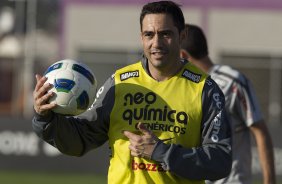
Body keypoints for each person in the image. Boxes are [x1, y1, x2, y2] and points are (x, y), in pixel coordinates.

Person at [32, 1, 232, 184]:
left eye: (166, 34)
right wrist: (45, 118)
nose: (157, 43)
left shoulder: (205, 89)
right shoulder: (119, 83)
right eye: (149, 34)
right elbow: (81, 139)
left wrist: (160, 152)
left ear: (182, 36)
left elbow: (219, 161)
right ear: (141, 37)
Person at [180, 24, 276, 184]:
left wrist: (270, 181)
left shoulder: (232, 82)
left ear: (182, 54)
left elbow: (260, 132)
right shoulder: (184, 86)